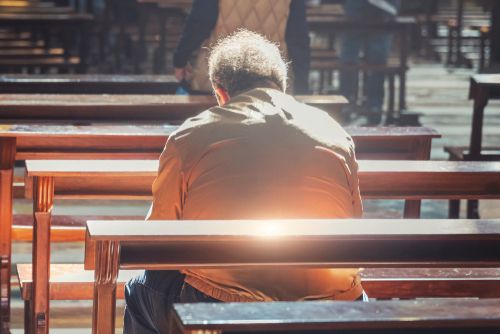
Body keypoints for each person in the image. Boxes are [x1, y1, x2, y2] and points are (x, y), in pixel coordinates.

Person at [124, 30, 365, 334]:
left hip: (222, 303)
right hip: (332, 304)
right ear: (283, 85)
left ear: (220, 92)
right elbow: (355, 222)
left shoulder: (191, 135)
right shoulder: (333, 131)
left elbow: (158, 237)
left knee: (141, 288)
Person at [173, 0, 310, 94]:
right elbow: (298, 38)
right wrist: (302, 86)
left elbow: (200, 22)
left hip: (220, 74)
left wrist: (180, 59)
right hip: (270, 77)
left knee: (214, 132)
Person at [339, 0, 401, 125]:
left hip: (382, 10)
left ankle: (373, 107)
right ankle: (346, 103)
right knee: (349, 61)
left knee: (377, 62)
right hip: (357, 10)